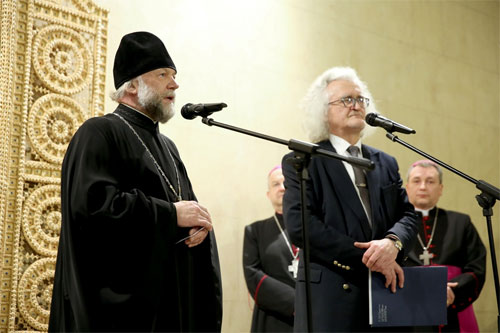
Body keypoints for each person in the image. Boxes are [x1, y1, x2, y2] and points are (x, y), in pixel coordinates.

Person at [49, 31, 223, 332]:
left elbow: (183, 208)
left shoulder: (168, 147)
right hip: (119, 316)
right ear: (132, 84)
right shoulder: (99, 133)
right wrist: (172, 216)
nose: (174, 83)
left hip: (168, 306)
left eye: (174, 75)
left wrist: (197, 227)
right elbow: (93, 209)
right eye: (162, 74)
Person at [282, 66, 418, 331]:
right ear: (323, 111)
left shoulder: (385, 162)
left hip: (386, 296)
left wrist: (392, 243)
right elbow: (301, 226)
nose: (355, 105)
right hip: (333, 299)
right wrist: (374, 257)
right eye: (346, 99)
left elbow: (408, 215)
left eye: (360, 99)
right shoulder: (304, 160)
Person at [405, 160, 486, 332]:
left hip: (453, 309)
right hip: (409, 312)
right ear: (407, 187)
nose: (423, 187)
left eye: (430, 181)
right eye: (417, 181)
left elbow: (476, 269)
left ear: (440, 188)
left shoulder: (461, 223)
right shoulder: (393, 226)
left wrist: (452, 290)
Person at [243, 166, 297, 332]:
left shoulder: (312, 227)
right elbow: (252, 274)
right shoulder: (255, 231)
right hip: (272, 318)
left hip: (313, 314)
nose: (281, 187)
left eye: (285, 183)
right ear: (268, 194)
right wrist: (296, 302)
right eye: (275, 184)